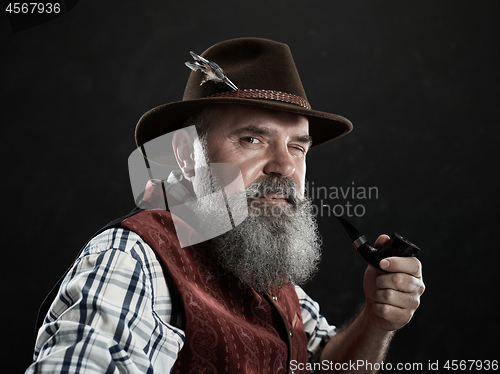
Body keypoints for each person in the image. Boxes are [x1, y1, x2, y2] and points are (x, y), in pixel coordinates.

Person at [26, 37, 424, 373]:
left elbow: (322, 363)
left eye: (297, 146)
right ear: (185, 155)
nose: (285, 166)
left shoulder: (270, 276)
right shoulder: (134, 261)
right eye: (251, 139)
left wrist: (375, 321)